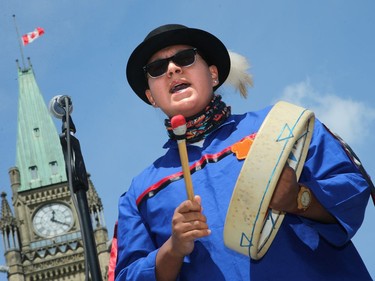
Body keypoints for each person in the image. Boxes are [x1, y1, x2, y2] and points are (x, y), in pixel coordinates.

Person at [114, 24, 373, 280]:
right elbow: (128, 275)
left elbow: (352, 190)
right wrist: (173, 249)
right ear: (151, 97)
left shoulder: (283, 126)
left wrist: (298, 199)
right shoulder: (139, 193)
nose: (172, 69)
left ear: (213, 75)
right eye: (157, 69)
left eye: (185, 58)